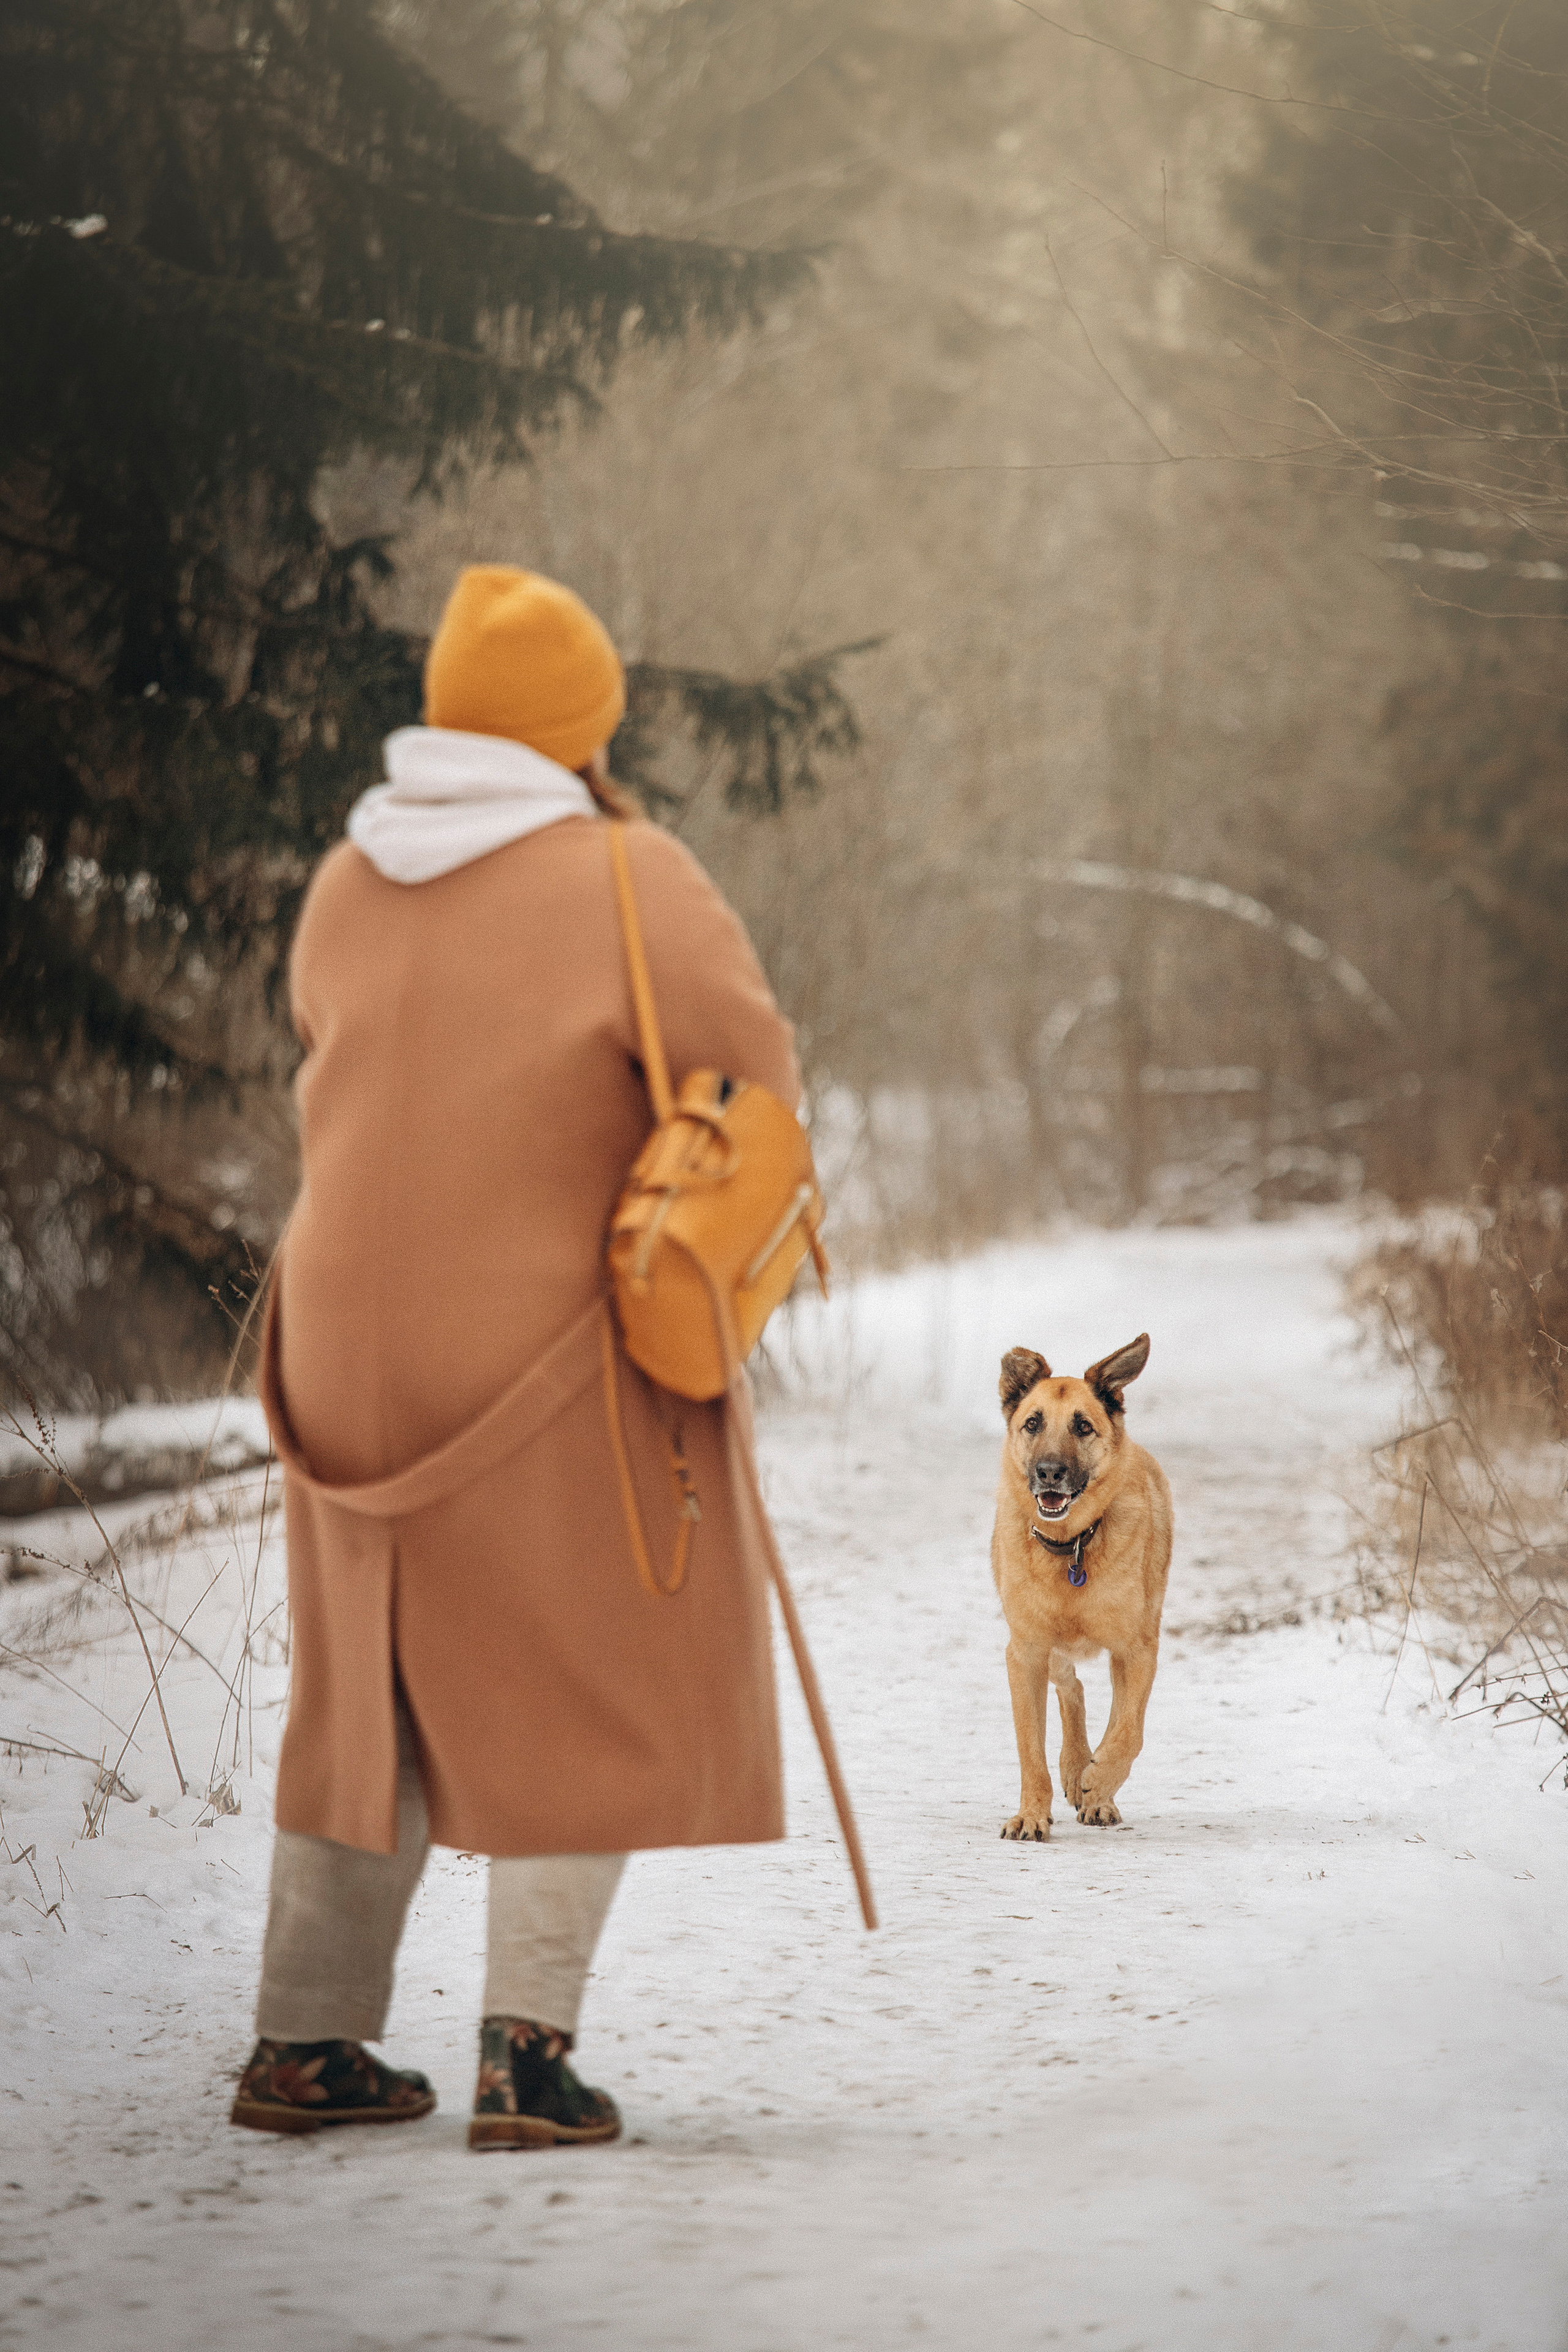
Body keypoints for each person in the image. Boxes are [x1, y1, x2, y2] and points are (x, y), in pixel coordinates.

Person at [231, 565, 801, 2147]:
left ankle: (305, 2045)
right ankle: (523, 2063)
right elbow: (750, 1085)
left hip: (338, 1339)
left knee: (372, 1688)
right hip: (545, 1342)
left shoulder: (348, 874)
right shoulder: (630, 875)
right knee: (587, 1671)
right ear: (581, 724)